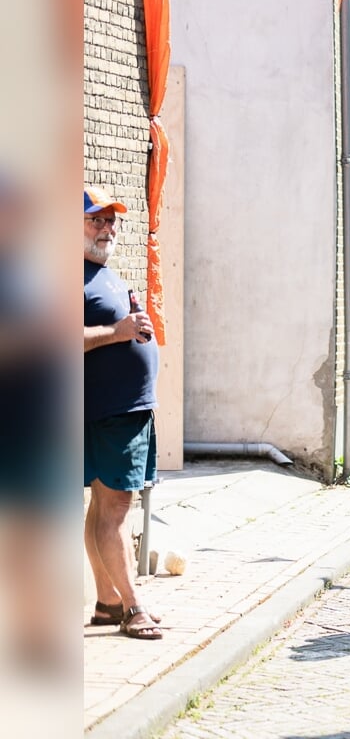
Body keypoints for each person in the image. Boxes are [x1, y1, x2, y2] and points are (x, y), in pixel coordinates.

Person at [82, 186, 163, 641]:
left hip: (120, 411)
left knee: (101, 510)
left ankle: (107, 603)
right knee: (116, 512)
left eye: (111, 221)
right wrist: (118, 331)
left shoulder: (101, 271)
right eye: (96, 220)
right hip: (111, 414)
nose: (107, 229)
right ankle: (133, 607)